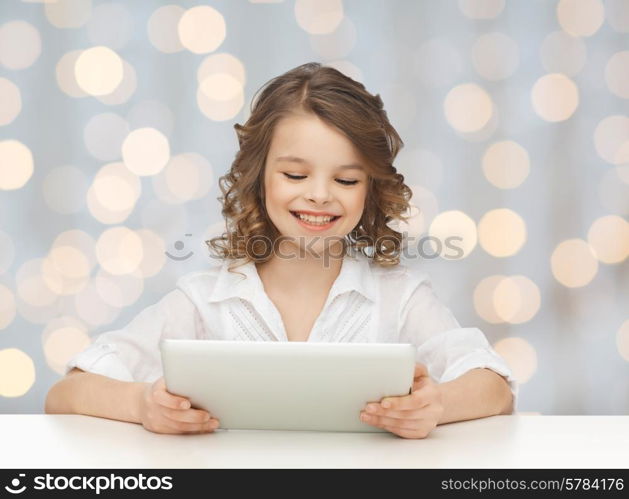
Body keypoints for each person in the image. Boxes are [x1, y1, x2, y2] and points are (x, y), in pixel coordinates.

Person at [45, 62, 516, 439]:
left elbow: (495, 389)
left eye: (346, 180)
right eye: (295, 175)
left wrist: (436, 406)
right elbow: (66, 394)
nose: (318, 195)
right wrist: (141, 404)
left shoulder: (401, 297)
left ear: (370, 190)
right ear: (259, 177)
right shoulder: (205, 300)